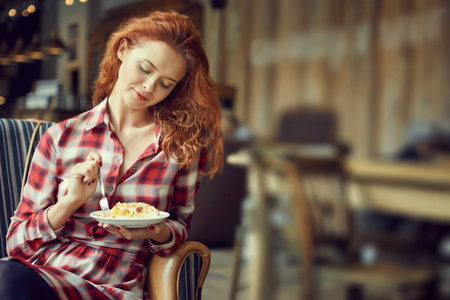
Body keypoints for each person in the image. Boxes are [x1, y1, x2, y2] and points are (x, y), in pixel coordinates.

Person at [0, 11, 223, 300]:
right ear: (123, 49)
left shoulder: (181, 148)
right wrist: (69, 203)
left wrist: (154, 231)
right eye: (145, 68)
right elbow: (16, 244)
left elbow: (179, 226)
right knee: (8, 277)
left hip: (114, 288)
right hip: (43, 278)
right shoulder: (60, 137)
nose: (149, 87)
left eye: (166, 83)